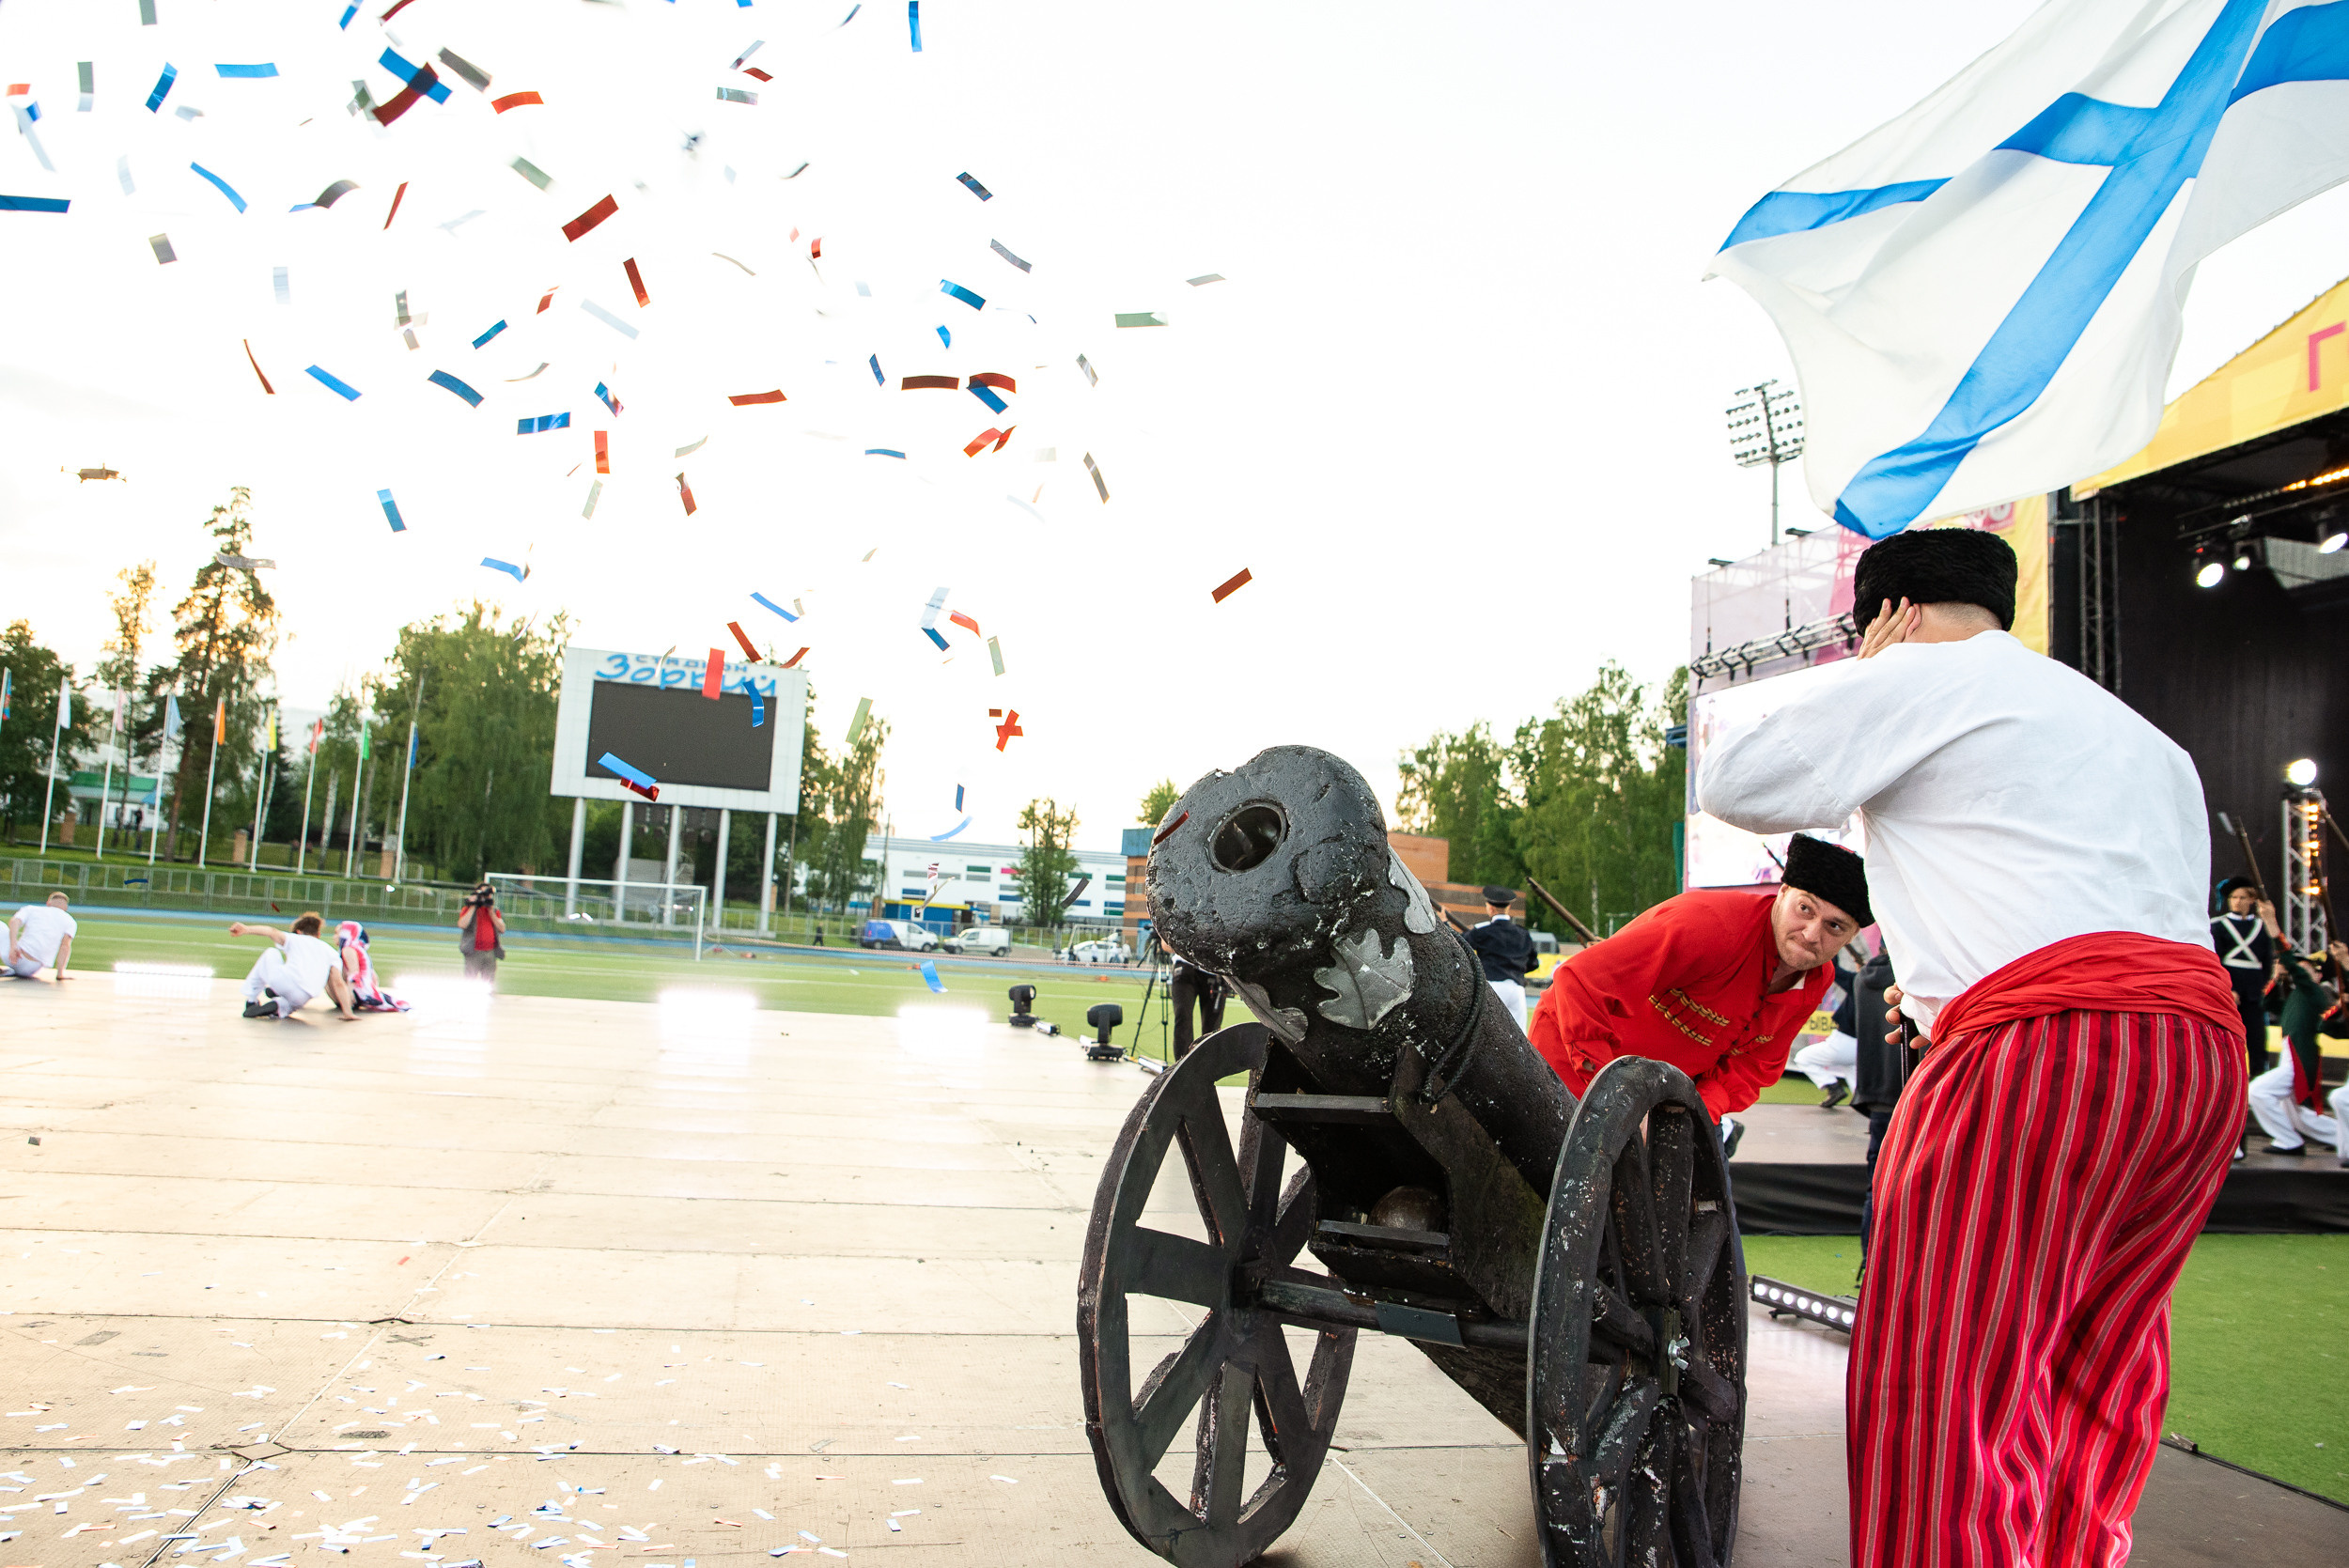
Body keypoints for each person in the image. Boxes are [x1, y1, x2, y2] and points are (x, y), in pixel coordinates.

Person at [1697, 526, 2239, 1568]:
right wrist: (1950, 997)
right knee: (2100, 1364)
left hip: (2044, 1050)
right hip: (2192, 1058)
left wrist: (1866, 677)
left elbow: (1740, 781)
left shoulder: (1915, 674)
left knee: (1946, 1385)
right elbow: (2111, 908)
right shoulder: (2136, 734)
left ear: (1887, 615)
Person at [1526, 833, 1870, 1157]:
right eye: (1805, 909)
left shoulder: (1815, 978)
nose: (1812, 934)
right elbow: (1580, 981)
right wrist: (1617, 1103)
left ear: (1851, 935)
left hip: (1656, 1097)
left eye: (1834, 926)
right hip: (1569, 1063)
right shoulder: (1711, 926)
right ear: (1782, 893)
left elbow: (1754, 1067)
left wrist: (1694, 1112)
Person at [2248, 928, 2347, 1157]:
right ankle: (2340, 1136)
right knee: (2300, 1115)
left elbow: (2295, 969)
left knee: (2258, 1091)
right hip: (2291, 1053)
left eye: (2307, 968)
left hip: (2299, 1055)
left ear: (2318, 975)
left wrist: (2281, 946)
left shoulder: (2315, 992)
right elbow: (2268, 1003)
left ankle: (2288, 1140)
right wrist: (2276, 976)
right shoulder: (2298, 995)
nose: (2300, 971)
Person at [230, 912, 358, 1020]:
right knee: (292, 1005)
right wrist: (348, 1013)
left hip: (285, 981)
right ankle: (279, 1006)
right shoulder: (331, 952)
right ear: (318, 934)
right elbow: (338, 983)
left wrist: (246, 929)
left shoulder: (294, 938)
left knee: (271, 953)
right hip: (305, 994)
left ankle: (252, 1000)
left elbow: (271, 931)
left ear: (298, 931)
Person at [2210, 877, 2277, 1083]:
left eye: (2242, 897)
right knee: (2225, 1039)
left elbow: (2267, 960)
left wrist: (2265, 986)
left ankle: (2257, 1081)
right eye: (2233, 897)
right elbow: (2216, 960)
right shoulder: (2218, 926)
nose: (2237, 901)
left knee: (2257, 1039)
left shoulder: (2261, 927)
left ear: (2251, 900)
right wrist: (2227, 987)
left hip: (2255, 991)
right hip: (2230, 989)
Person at [1788, 947, 1865, 1108]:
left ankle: (1832, 1086)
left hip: (1844, 1041)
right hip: (1864, 1044)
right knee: (1856, 1083)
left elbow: (1834, 970)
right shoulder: (1881, 987)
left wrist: (1835, 948)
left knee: (1803, 1058)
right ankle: (1865, 1108)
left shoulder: (1858, 982)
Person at [1460, 886, 1540, 1029]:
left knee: (1486, 1032)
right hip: (1517, 989)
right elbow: (1534, 963)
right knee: (1520, 1037)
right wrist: (1516, 968)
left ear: (1490, 908)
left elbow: (1460, 943)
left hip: (1493, 986)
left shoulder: (1483, 931)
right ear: (1508, 907)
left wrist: (1445, 923)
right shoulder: (1523, 934)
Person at [334, 921, 409, 1012]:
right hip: (366, 993)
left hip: (359, 994)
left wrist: (349, 994)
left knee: (330, 972)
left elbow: (354, 973)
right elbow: (374, 977)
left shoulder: (348, 949)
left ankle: (347, 1001)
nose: (334, 936)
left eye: (337, 933)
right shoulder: (358, 948)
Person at [5, 891, 76, 980]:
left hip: (13, 957)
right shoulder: (70, 921)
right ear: (65, 907)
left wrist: (13, 945)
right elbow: (65, 946)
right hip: (33, 968)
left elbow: (14, 922)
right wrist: (60, 974)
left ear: (48, 903)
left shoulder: (32, 909)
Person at [1169, 954, 1227, 1059]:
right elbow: (1165, 944)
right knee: (1183, 1017)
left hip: (1215, 971)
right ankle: (1181, 1070)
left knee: (1212, 1029)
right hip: (1185, 967)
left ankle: (1208, 1071)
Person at [457, 882, 506, 984]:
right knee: (470, 981)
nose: (485, 897)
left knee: (489, 983)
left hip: (490, 952)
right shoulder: (468, 909)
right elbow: (462, 924)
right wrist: (473, 906)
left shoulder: (494, 911)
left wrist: (491, 912)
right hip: (473, 951)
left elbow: (502, 929)